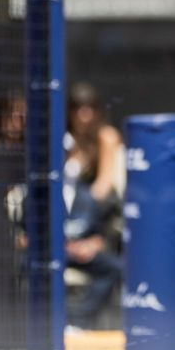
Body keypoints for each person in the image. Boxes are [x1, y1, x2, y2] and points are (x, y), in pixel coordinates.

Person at [63, 83, 124, 330]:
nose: (84, 115)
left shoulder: (105, 137)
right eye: (78, 108)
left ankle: (77, 322)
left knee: (114, 269)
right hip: (57, 232)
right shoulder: (62, 139)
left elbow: (102, 190)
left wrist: (90, 240)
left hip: (89, 227)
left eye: (89, 108)